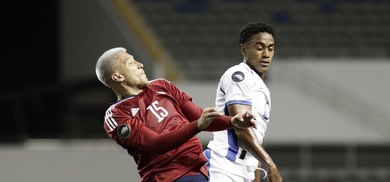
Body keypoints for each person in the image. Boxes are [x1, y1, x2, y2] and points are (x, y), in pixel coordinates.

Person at [95, 47, 257, 182]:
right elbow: (154, 143)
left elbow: (201, 117)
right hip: (168, 177)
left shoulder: (162, 85)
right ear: (118, 77)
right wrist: (197, 125)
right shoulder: (116, 115)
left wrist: (233, 121)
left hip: (200, 169)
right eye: (131, 63)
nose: (140, 64)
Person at [204, 21, 283, 182]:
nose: (266, 54)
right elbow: (241, 130)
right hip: (224, 168)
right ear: (244, 49)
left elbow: (255, 139)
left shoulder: (261, 88)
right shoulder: (239, 75)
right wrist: (271, 165)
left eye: (270, 48)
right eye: (259, 47)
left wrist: (256, 175)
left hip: (245, 170)